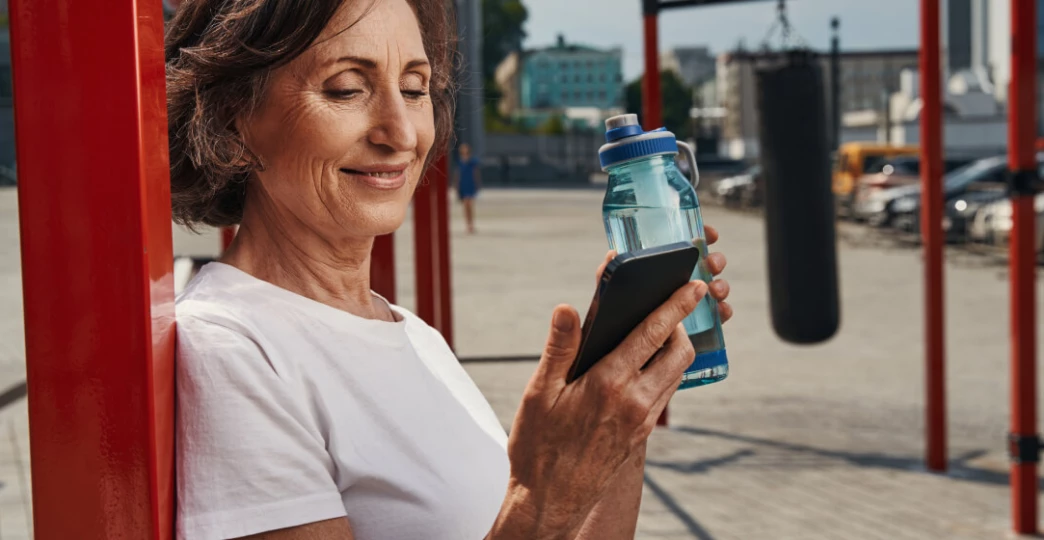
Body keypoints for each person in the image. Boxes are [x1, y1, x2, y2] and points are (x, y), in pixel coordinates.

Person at [166, 1, 735, 539]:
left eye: (415, 89)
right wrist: (541, 499)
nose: (402, 132)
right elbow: (541, 516)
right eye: (346, 88)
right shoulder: (229, 350)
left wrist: (621, 410)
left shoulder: (413, 334)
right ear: (231, 122)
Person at [455, 142, 480, 233]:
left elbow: (476, 173)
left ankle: (471, 224)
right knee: (465, 205)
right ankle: (468, 224)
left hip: (470, 184)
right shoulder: (460, 161)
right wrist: (457, 186)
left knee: (470, 204)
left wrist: (477, 184)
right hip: (463, 184)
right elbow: (458, 174)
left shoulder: (472, 161)